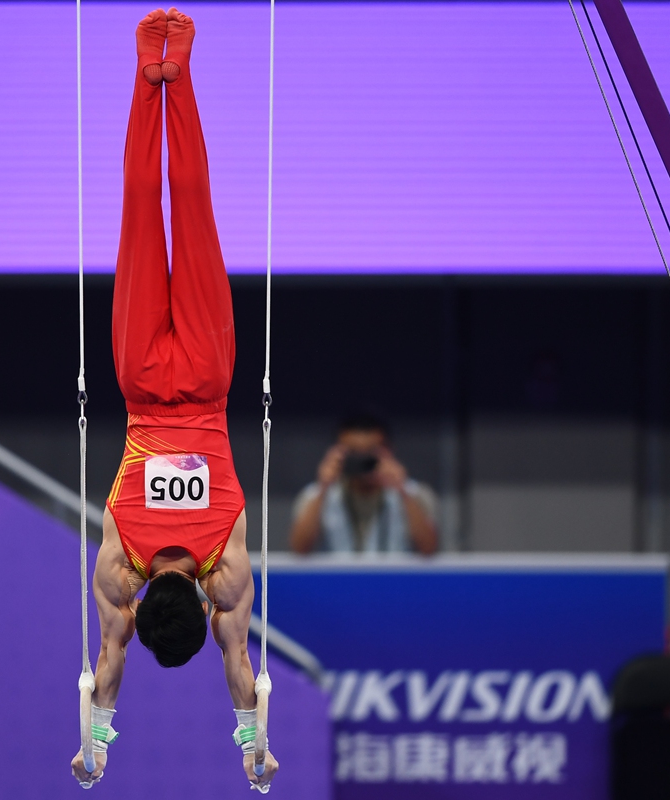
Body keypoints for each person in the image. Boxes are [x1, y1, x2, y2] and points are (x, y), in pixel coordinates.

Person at [69, 8, 278, 791]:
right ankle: (146, 67)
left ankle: (175, 68)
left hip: (208, 374)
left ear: (201, 602)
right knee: (138, 214)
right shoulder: (116, 577)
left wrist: (254, 747)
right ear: (143, 601)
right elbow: (107, 663)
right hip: (140, 383)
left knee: (191, 213)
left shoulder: (227, 578)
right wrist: (94, 748)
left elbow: (241, 664)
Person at [289, 412, 439, 555]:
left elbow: (429, 549)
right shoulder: (315, 495)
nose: (362, 460)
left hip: (394, 580)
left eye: (370, 452)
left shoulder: (415, 493)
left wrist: (402, 490)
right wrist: (323, 488)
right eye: (353, 453)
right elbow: (299, 550)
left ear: (388, 451)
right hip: (338, 580)